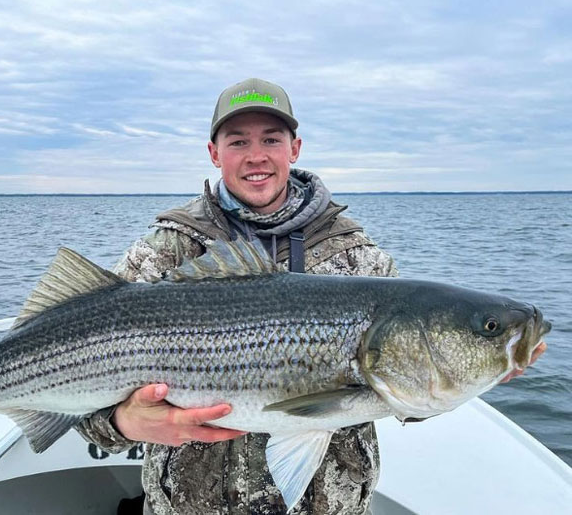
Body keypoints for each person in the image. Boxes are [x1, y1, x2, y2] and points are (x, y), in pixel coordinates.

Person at [75, 78, 545, 515]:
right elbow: (64, 394)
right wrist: (124, 424)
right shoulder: (166, 251)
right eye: (238, 140)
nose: (256, 155)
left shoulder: (363, 261)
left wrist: (471, 372)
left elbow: (405, 394)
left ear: (294, 148)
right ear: (214, 153)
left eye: (271, 139)